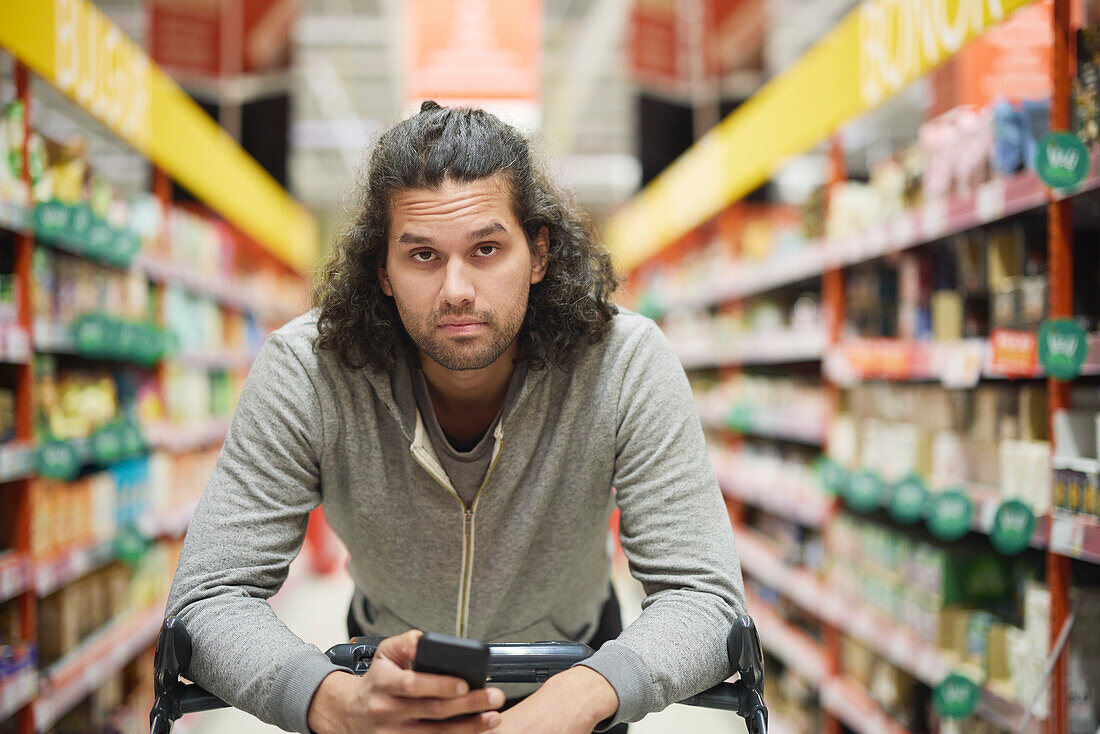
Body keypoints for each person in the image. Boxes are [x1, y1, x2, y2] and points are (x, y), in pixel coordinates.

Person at [164, 101, 745, 734]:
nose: (457, 290)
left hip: (574, 677)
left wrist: (591, 691)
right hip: (383, 689)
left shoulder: (624, 364)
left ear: (540, 254)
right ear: (381, 270)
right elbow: (207, 596)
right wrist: (332, 701)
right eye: (421, 256)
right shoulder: (307, 371)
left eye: (487, 248)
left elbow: (708, 600)